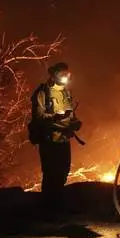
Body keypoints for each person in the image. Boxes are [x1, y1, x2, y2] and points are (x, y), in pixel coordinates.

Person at [29, 62, 84, 218]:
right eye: (62, 74)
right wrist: (56, 117)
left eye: (67, 73)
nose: (66, 76)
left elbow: (71, 114)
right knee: (50, 174)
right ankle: (48, 210)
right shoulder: (42, 93)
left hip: (64, 139)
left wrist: (74, 123)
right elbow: (38, 117)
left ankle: (57, 207)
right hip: (49, 140)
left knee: (63, 172)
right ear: (53, 75)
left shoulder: (66, 92)